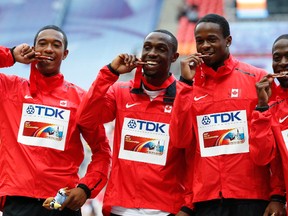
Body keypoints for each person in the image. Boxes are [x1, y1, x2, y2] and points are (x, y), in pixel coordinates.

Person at [169, 13, 286, 216]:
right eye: (200, 41)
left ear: (228, 40)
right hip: (207, 199)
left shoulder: (256, 78)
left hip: (253, 198)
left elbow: (273, 146)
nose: (205, 46)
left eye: (212, 39)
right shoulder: (189, 85)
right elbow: (180, 141)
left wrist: (276, 196)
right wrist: (185, 85)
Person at [76, 29, 194, 216]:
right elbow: (86, 119)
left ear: (174, 57)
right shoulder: (120, 91)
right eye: (147, 47)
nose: (152, 53)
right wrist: (110, 73)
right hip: (120, 207)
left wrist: (188, 206)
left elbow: (194, 157)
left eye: (161, 48)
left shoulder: (186, 95)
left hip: (166, 209)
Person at [0, 25, 111, 216]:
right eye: (42, 44)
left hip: (61, 204)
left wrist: (85, 188)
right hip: (17, 203)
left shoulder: (80, 99)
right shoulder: (9, 89)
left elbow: (102, 152)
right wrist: (10, 54)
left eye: (56, 45)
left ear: (65, 54)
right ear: (33, 49)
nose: (49, 49)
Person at [250, 34, 288, 215]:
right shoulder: (269, 105)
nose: (283, 63)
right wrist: (262, 107)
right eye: (277, 57)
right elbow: (263, 158)